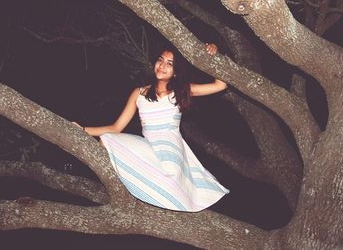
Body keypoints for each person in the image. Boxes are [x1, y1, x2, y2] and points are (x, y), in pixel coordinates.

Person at [76, 43, 229, 212]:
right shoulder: (139, 93)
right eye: (160, 60)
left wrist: (213, 56)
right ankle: (124, 189)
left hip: (171, 152)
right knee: (106, 140)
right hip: (148, 148)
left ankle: (169, 200)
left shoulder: (182, 91)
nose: (162, 65)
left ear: (175, 71)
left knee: (172, 179)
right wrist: (83, 130)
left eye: (169, 64)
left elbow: (220, 85)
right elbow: (116, 127)